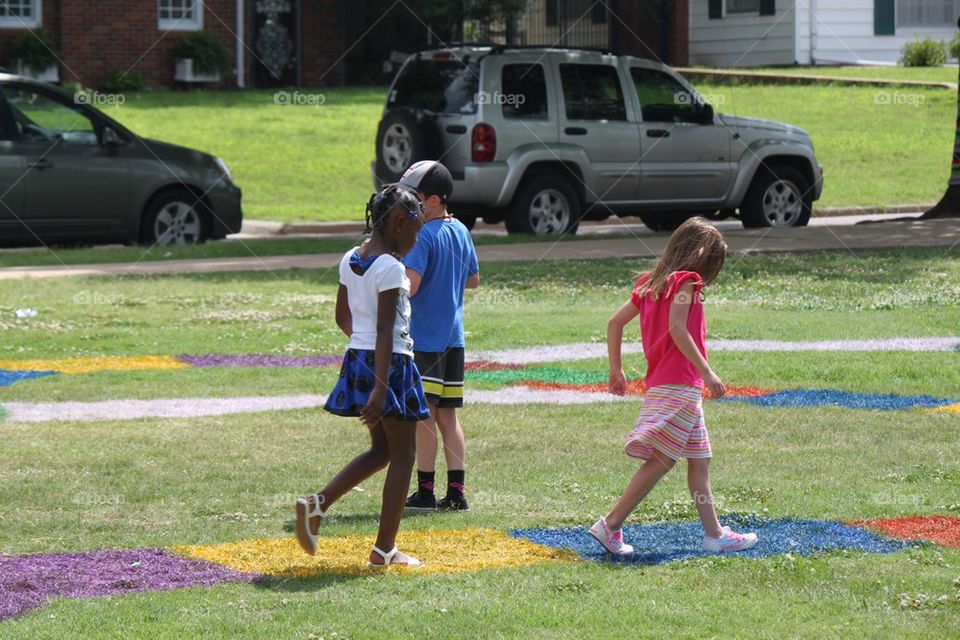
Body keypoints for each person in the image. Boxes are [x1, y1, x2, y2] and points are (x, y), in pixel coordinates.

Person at [588, 217, 759, 555]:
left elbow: (614, 322)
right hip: (681, 386)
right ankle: (611, 524)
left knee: (699, 461)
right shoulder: (687, 282)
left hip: (665, 386)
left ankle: (714, 534)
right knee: (662, 460)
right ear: (703, 259)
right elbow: (678, 328)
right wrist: (708, 372)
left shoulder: (650, 285)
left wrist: (616, 370)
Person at [295, 184, 430, 568]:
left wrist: (363, 350)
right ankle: (384, 549)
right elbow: (387, 330)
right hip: (391, 365)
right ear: (399, 222)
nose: (415, 239)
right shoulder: (389, 267)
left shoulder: (350, 259)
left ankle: (316, 505)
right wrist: (382, 384)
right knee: (404, 454)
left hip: (360, 358)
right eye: (414, 231)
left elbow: (343, 317)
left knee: (382, 450)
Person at [397, 161, 480, 512]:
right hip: (453, 339)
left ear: (432, 200)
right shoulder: (460, 229)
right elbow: (473, 279)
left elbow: (410, 287)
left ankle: (426, 492)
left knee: (425, 417)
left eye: (413, 197)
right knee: (448, 416)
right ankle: (457, 492)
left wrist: (392, 266)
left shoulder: (423, 236)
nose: (407, 203)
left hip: (426, 341)